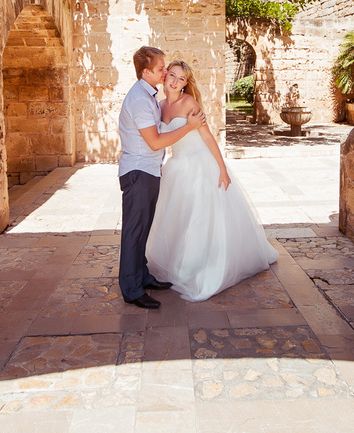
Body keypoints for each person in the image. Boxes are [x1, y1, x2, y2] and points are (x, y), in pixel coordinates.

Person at [146, 60, 278, 302]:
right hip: (176, 167)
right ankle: (176, 262)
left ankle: (197, 265)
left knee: (199, 218)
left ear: (186, 84)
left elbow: (207, 137)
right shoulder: (159, 104)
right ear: (164, 77)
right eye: (172, 75)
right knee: (177, 217)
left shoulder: (189, 103)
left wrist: (222, 168)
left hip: (199, 164)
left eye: (181, 79)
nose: (174, 81)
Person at [118, 46, 205, 309]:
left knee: (142, 229)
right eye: (160, 69)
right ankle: (132, 289)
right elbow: (155, 142)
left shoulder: (149, 95)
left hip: (149, 171)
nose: (165, 71)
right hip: (139, 172)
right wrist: (190, 127)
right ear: (146, 72)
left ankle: (142, 275)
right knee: (134, 232)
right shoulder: (141, 101)